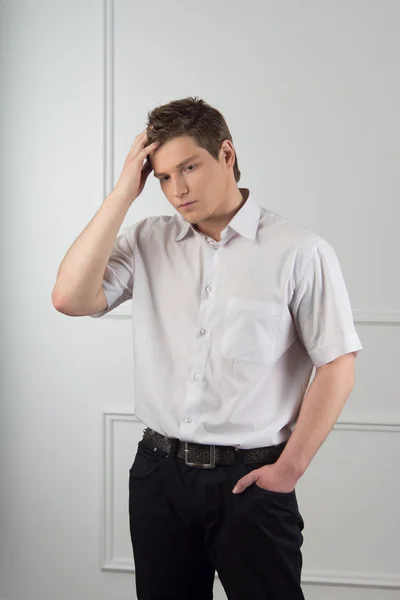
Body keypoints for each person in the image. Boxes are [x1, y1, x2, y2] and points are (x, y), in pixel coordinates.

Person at [52, 96, 363, 600]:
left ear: (226, 153)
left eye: (188, 167)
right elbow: (68, 297)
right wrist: (120, 196)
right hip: (158, 477)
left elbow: (337, 363)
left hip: (251, 482)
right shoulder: (146, 241)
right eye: (163, 178)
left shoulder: (300, 251)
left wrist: (290, 469)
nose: (177, 190)